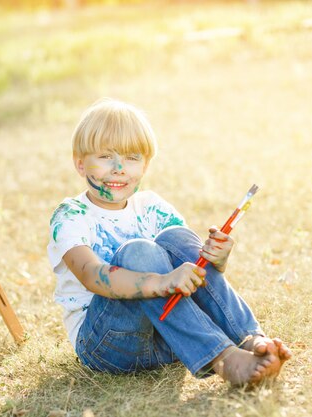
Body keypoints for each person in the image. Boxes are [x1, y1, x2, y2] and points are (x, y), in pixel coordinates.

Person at [47, 98, 292, 385]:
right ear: (80, 163)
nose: (119, 168)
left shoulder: (152, 206)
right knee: (138, 252)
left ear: (146, 165)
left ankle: (249, 340)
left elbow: (193, 271)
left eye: (131, 158)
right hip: (108, 344)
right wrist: (162, 282)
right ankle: (225, 360)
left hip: (170, 340)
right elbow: (91, 275)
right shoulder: (71, 215)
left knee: (178, 240)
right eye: (104, 157)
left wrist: (217, 258)